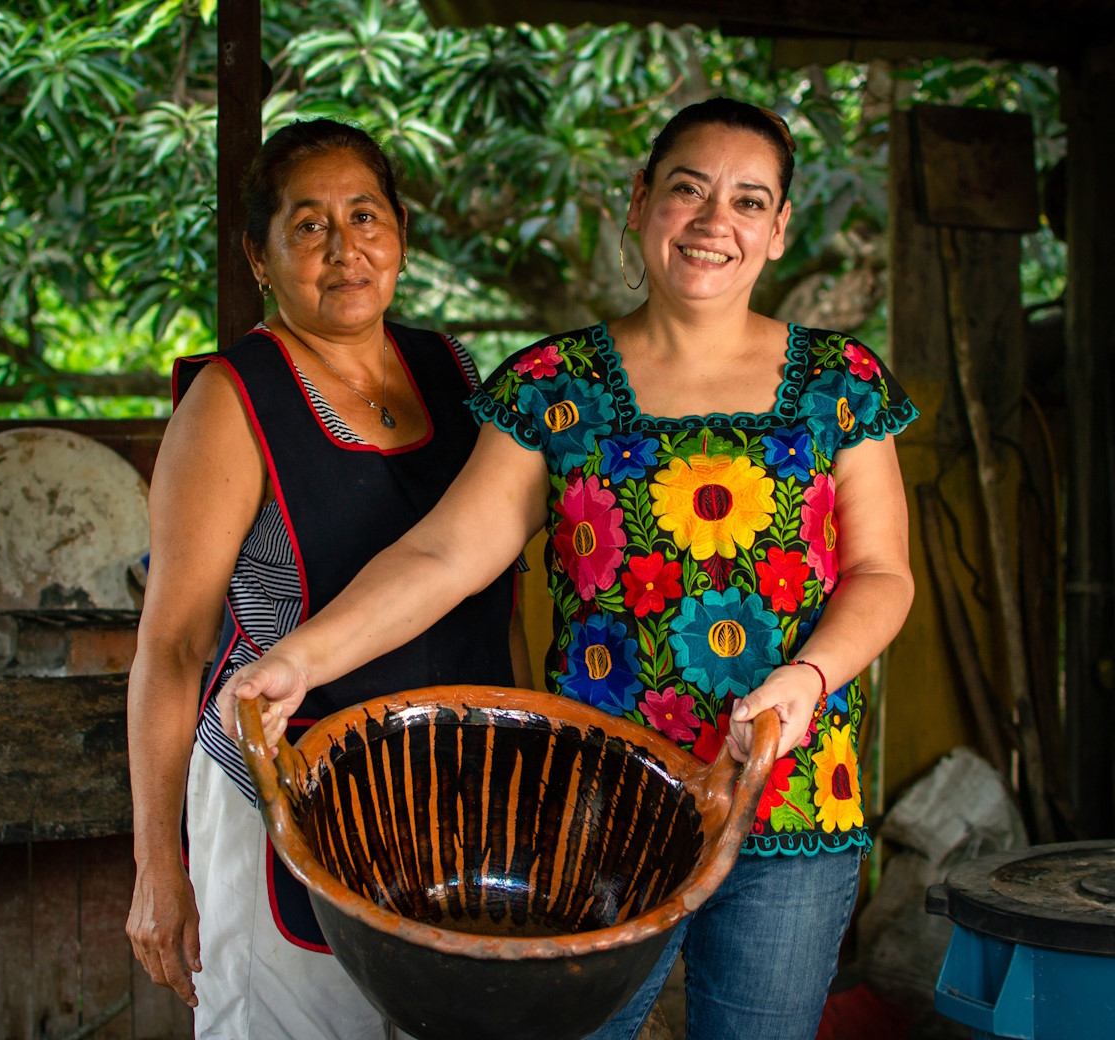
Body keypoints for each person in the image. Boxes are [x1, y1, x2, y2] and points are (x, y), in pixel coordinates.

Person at [220, 98, 917, 1040]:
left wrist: (809, 677)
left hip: (788, 798)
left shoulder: (844, 385)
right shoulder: (556, 385)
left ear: (780, 230)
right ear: (639, 203)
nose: (716, 223)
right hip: (596, 816)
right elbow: (446, 553)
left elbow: (882, 575)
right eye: (688, 190)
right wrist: (300, 659)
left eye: (749, 201)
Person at [125, 117, 530, 1040]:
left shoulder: (451, 371)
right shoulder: (234, 399)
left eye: (366, 217)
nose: (345, 250)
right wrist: (159, 862)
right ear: (259, 258)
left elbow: (490, 593)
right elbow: (173, 645)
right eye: (309, 226)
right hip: (287, 798)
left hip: (453, 795)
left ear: (398, 234)